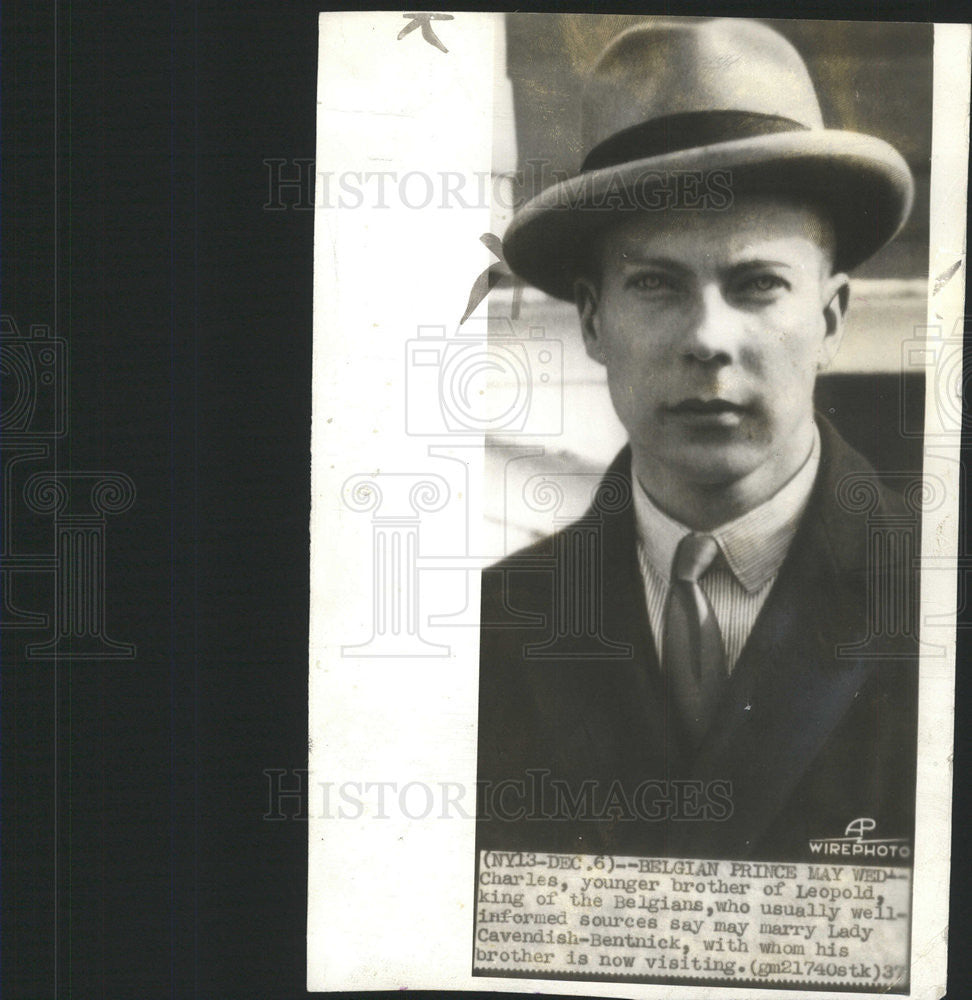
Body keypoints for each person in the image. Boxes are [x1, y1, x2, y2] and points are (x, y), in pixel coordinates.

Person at [476, 17, 920, 861]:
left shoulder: (939, 597)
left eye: (756, 284)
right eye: (655, 284)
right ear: (595, 320)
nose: (707, 339)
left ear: (830, 319)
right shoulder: (494, 627)